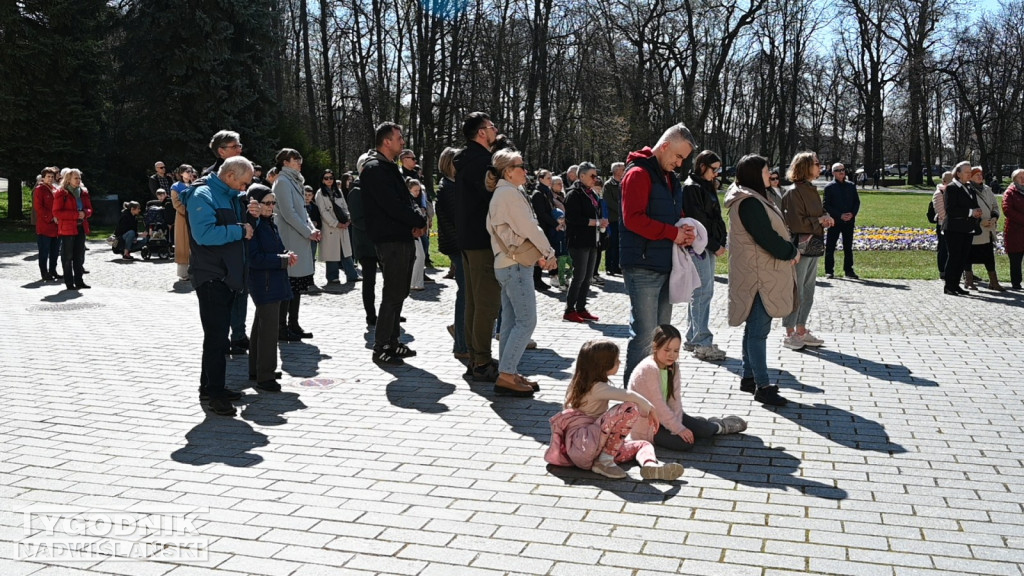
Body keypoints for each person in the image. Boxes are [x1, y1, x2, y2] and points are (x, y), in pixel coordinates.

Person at [620, 123, 697, 386]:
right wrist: (672, 233)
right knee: (644, 337)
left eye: (683, 159)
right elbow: (633, 219)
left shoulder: (669, 177)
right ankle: (632, 403)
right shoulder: (639, 173)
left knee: (663, 338)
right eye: (677, 157)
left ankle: (659, 396)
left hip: (665, 264)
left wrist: (685, 228)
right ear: (664, 147)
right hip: (642, 266)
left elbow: (671, 214)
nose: (679, 163)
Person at [545, 339, 684, 481]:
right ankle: (604, 462)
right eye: (616, 360)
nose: (619, 363)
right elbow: (628, 394)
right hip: (586, 445)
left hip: (588, 448)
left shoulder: (579, 384)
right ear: (603, 365)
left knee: (643, 444)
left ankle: (650, 466)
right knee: (629, 408)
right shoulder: (596, 387)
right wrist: (649, 406)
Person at [183, 156, 257, 416]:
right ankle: (215, 394)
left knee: (216, 336)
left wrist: (250, 215)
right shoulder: (202, 194)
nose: (245, 188)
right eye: (244, 183)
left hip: (225, 276)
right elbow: (204, 235)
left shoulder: (228, 194)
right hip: (211, 276)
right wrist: (239, 230)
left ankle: (210, 387)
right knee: (216, 339)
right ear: (230, 176)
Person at [723, 154, 799, 406]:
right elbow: (766, 237)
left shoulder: (751, 197)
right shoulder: (749, 202)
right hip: (759, 274)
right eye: (767, 171)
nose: (770, 174)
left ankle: (749, 377)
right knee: (758, 332)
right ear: (756, 174)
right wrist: (791, 252)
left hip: (757, 272)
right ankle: (763, 386)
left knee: (753, 328)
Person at [486, 148, 555, 397]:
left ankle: (509, 372)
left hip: (506, 264)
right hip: (514, 266)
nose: (525, 170)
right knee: (527, 321)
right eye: (520, 165)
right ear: (508, 171)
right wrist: (548, 252)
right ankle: (506, 374)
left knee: (511, 322)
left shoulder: (503, 193)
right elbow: (529, 227)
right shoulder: (509, 194)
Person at [361, 122, 428, 365]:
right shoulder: (375, 168)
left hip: (402, 236)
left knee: (399, 291)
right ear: (386, 141)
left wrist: (418, 218)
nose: (403, 142)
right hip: (390, 239)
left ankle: (393, 341)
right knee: (392, 292)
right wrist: (417, 218)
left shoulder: (390, 168)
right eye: (399, 138)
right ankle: (381, 346)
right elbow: (393, 205)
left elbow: (407, 200)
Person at [628, 325, 747, 449]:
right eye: (667, 350)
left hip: (666, 417)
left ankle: (719, 426)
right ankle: (696, 423)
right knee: (684, 443)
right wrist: (679, 429)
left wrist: (679, 424)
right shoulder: (648, 369)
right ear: (655, 347)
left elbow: (675, 400)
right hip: (647, 425)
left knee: (704, 431)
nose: (672, 355)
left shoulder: (673, 367)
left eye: (676, 351)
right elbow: (658, 407)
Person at [455, 112, 501, 381]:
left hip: (468, 239)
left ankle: (475, 355)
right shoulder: (483, 162)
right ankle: (481, 361)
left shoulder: (465, 160)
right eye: (492, 126)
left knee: (474, 301)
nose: (495, 130)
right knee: (486, 303)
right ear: (482, 133)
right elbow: (490, 193)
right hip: (483, 240)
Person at [246, 184, 296, 392]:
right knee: (269, 330)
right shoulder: (253, 225)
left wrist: (286, 253)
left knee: (261, 325)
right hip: (264, 282)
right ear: (255, 203)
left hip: (272, 280)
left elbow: (275, 248)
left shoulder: (268, 223)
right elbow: (254, 258)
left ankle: (257, 369)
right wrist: (282, 260)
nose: (271, 206)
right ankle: (265, 376)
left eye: (273, 203)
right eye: (267, 203)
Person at [781, 151, 832, 350]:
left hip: (813, 246)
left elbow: (815, 214)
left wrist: (825, 216)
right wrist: (818, 221)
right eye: (816, 163)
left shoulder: (811, 189)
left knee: (808, 290)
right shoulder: (793, 192)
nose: (820, 166)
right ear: (805, 167)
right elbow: (795, 223)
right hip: (799, 248)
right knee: (796, 290)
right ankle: (789, 332)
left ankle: (801, 329)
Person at [680, 150, 727, 361]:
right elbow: (699, 221)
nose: (716, 174)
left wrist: (720, 240)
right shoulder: (692, 187)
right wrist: (715, 244)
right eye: (714, 169)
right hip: (700, 245)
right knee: (702, 291)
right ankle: (701, 341)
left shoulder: (705, 186)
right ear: (702, 167)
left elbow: (715, 217)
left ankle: (692, 337)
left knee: (701, 291)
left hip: (708, 244)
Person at [272, 148, 321, 340]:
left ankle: (294, 323)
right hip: (290, 238)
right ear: (285, 162)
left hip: (299, 237)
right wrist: (308, 232)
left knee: (297, 286)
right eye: (295, 159)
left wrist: (312, 229)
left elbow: (302, 211)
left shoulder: (295, 180)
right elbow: (288, 213)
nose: (299, 161)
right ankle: (282, 327)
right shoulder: (282, 182)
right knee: (288, 284)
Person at [434, 146, 468, 358]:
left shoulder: (454, 186)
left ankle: (459, 330)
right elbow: (454, 222)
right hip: (460, 246)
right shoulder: (448, 188)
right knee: (465, 293)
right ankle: (461, 345)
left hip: (460, 245)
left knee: (467, 292)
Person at [563, 162, 605, 323]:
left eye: (596, 175)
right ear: (582, 176)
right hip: (578, 241)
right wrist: (595, 222)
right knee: (579, 276)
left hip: (592, 240)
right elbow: (572, 218)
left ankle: (581, 307)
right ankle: (569, 310)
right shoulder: (574, 194)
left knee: (588, 277)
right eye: (592, 176)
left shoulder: (591, 193)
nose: (596, 179)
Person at [348, 153, 381, 326]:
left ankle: (389, 312)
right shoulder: (356, 191)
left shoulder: (377, 187)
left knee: (391, 280)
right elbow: (358, 220)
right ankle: (371, 314)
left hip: (382, 241)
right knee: (369, 281)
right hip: (366, 244)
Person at [943, 161, 982, 296]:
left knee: (962, 258)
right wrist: (971, 212)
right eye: (966, 172)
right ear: (958, 173)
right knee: (954, 257)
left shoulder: (970, 188)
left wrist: (977, 212)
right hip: (954, 229)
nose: (969, 174)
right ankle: (949, 286)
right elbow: (951, 210)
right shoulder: (952, 188)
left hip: (967, 228)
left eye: (970, 172)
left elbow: (974, 205)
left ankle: (956, 285)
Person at [315, 169, 360, 284]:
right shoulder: (320, 193)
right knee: (332, 253)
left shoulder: (338, 191)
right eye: (326, 178)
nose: (329, 180)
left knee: (346, 252)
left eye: (331, 177)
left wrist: (348, 219)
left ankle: (351, 274)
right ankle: (332, 276)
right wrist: (336, 223)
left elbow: (345, 207)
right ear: (322, 180)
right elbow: (323, 212)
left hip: (343, 226)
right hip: (330, 227)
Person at [965, 167, 1004, 291]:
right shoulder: (966, 189)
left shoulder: (987, 189)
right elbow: (966, 210)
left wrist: (994, 218)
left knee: (989, 257)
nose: (980, 176)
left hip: (988, 230)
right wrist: (981, 221)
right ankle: (969, 280)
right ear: (970, 177)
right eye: (976, 174)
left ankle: (993, 282)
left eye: (981, 174)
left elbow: (995, 206)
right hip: (974, 229)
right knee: (968, 256)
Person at [53, 168, 93, 290]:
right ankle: (69, 282)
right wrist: (76, 215)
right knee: (67, 256)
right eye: (76, 178)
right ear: (68, 179)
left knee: (79, 256)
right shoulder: (61, 193)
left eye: (79, 178)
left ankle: (79, 281)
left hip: (80, 227)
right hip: (67, 229)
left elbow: (90, 209)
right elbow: (57, 212)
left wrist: (85, 213)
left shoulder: (83, 192)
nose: (78, 180)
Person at [822, 162, 860, 279]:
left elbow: (856, 202)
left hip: (849, 221)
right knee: (830, 246)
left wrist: (852, 214)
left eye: (843, 169)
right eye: (838, 170)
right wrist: (839, 215)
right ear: (833, 173)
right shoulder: (829, 187)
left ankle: (848, 270)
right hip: (835, 221)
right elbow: (826, 205)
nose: (842, 172)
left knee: (848, 246)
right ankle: (829, 271)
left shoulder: (851, 185)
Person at [400, 149, 435, 270]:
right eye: (413, 158)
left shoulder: (416, 174)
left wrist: (428, 216)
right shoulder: (400, 176)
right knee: (418, 245)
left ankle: (422, 267)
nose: (415, 160)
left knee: (425, 242)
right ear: (404, 160)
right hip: (411, 215)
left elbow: (424, 195)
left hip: (422, 213)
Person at [530, 169, 559, 292]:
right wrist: (555, 223)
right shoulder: (538, 193)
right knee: (539, 254)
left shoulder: (547, 192)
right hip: (542, 227)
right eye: (548, 178)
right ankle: (536, 280)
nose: (550, 180)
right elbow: (541, 213)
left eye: (551, 178)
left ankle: (539, 279)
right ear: (541, 179)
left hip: (549, 227)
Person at [33, 166, 61, 282]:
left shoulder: (55, 188)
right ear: (43, 178)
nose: (50, 179)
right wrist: (51, 217)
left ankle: (53, 270)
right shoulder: (39, 189)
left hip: (56, 226)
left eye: (52, 177)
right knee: (44, 251)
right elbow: (39, 208)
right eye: (48, 177)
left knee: (55, 251)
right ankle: (44, 272)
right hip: (45, 225)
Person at [171, 165, 196, 281]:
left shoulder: (195, 185)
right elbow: (176, 203)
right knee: (183, 243)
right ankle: (183, 272)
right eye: (187, 171)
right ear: (181, 173)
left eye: (191, 171)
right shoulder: (176, 187)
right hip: (183, 217)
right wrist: (188, 211)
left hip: (196, 216)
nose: (189, 173)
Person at [929, 172, 954, 280]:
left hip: (954, 225)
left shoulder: (955, 190)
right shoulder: (939, 193)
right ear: (944, 181)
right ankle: (943, 271)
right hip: (943, 225)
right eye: (951, 180)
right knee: (943, 249)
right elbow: (941, 212)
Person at [1003, 169, 1024, 290]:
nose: (1023, 179)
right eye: (1020, 177)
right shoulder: (1010, 192)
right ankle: (1016, 283)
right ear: (1014, 179)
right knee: (1016, 260)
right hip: (1014, 232)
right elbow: (1007, 210)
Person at [603, 162, 624, 276]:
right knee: (611, 243)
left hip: (622, 219)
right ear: (616, 171)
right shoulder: (608, 185)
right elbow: (608, 201)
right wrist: (622, 210)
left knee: (619, 243)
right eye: (622, 169)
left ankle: (616, 266)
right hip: (613, 219)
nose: (624, 171)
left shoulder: (624, 183)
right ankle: (609, 267)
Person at [408, 179, 428, 291]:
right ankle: (413, 282)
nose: (417, 193)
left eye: (418, 190)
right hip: (411, 232)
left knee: (421, 256)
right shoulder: (409, 201)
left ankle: (418, 282)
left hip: (418, 232)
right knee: (419, 256)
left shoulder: (419, 200)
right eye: (415, 190)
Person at [303, 186, 321, 261]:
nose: (307, 197)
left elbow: (320, 221)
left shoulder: (315, 207)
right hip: (303, 234)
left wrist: (316, 223)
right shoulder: (299, 206)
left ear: (312, 196)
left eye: (309, 195)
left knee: (312, 256)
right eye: (305, 194)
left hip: (313, 235)